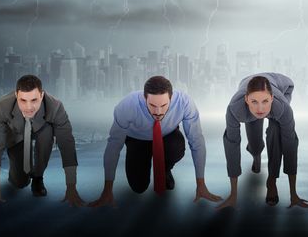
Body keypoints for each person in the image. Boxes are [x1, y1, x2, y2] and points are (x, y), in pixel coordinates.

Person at [90, 76, 221, 207]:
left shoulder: (184, 103)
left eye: (164, 105)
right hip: (137, 140)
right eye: (152, 105)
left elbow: (196, 140)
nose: (158, 112)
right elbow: (114, 144)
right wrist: (107, 190)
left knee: (176, 146)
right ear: (144, 98)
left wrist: (201, 184)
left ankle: (165, 170)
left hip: (167, 137)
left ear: (171, 98)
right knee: (138, 187)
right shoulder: (127, 105)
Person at [0, 75, 84, 208]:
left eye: (34, 100)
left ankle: (38, 178)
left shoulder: (56, 106)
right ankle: (19, 176)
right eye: (23, 100)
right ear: (16, 95)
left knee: (47, 133)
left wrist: (71, 186)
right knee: (19, 183)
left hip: (42, 128)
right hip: (16, 133)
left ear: (41, 95)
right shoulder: (2, 106)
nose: (29, 107)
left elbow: (67, 144)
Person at [217, 73, 308, 209]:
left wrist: (293, 194)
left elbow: (290, 145)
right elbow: (232, 146)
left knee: (276, 130)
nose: (260, 109)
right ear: (246, 99)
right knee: (255, 145)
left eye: (265, 101)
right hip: (248, 101)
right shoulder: (235, 109)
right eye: (254, 101)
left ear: (272, 98)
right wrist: (233, 194)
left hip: (282, 89)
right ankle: (256, 156)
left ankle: (271, 181)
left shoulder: (282, 107)